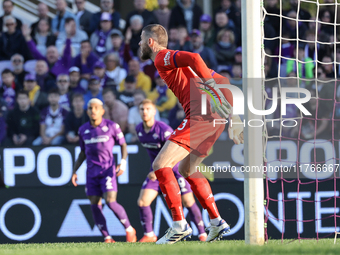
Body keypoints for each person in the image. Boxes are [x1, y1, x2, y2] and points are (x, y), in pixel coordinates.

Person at [139, 24, 243, 244]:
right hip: (215, 118)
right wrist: (231, 114)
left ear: (150, 42)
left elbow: (195, 58)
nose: (139, 43)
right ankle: (216, 222)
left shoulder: (161, 57)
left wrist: (218, 100)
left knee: (160, 165)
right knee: (187, 169)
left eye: (141, 39)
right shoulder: (175, 66)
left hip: (200, 116)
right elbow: (223, 82)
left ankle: (179, 225)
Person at [136, 99, 207, 242]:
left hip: (174, 169)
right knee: (143, 202)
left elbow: (175, 152)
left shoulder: (164, 129)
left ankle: (202, 233)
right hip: (156, 171)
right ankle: (149, 235)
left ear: (154, 111)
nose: (145, 112)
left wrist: (162, 168)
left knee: (188, 201)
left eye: (148, 109)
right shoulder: (139, 129)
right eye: (142, 109)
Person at [72, 98, 137, 243]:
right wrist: (75, 170)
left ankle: (129, 229)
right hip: (91, 173)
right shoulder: (83, 130)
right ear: (87, 111)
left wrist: (123, 162)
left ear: (102, 111)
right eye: (90, 108)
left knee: (110, 201)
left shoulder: (112, 126)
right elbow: (82, 152)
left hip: (107, 171)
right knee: (94, 202)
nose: (93, 110)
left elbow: (123, 145)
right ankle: (107, 237)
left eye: (96, 108)